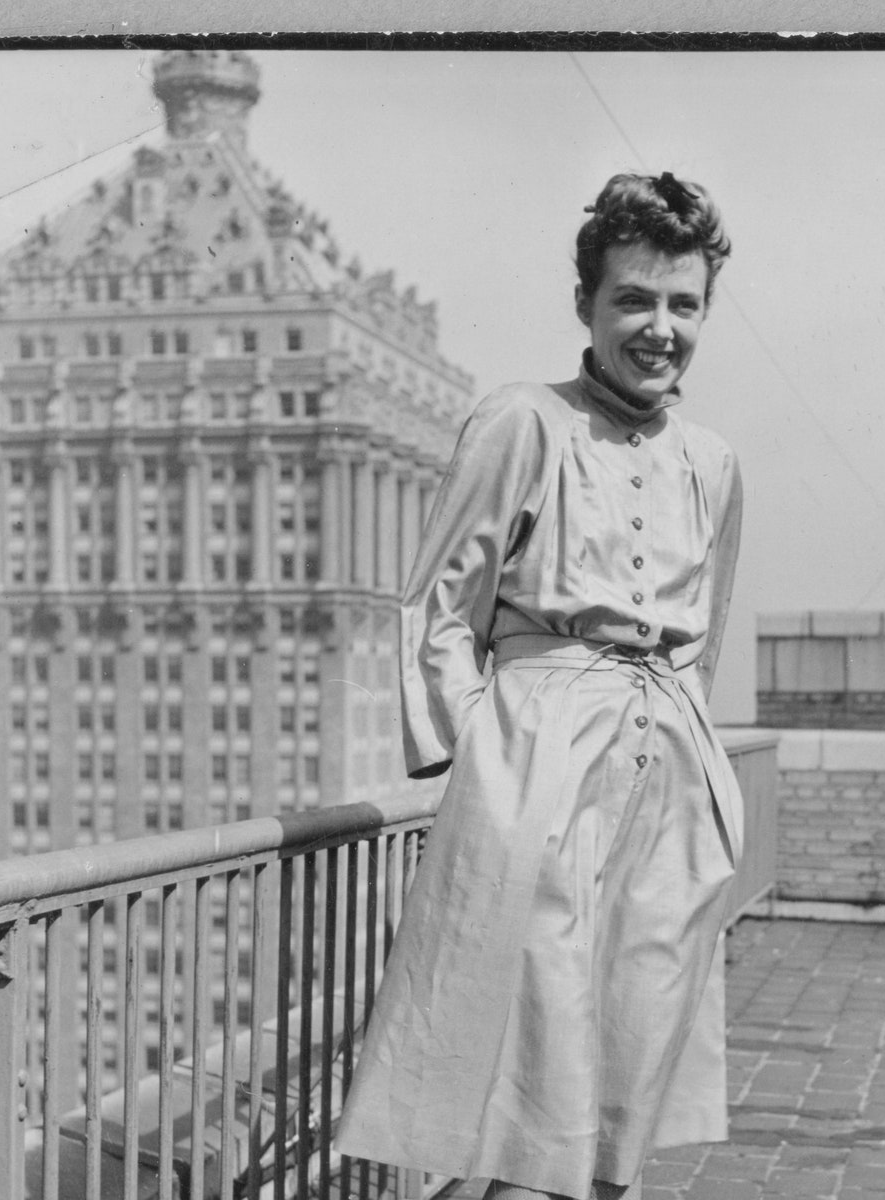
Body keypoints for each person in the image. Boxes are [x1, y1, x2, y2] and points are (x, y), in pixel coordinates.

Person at [331, 171, 745, 1200]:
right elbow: (436, 608)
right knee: (531, 1097)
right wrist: (491, 766)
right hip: (539, 776)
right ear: (587, 307)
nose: (659, 328)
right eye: (633, 300)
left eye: (682, 304)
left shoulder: (714, 461)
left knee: (628, 1082)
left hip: (668, 786)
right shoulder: (523, 423)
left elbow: (704, 638)